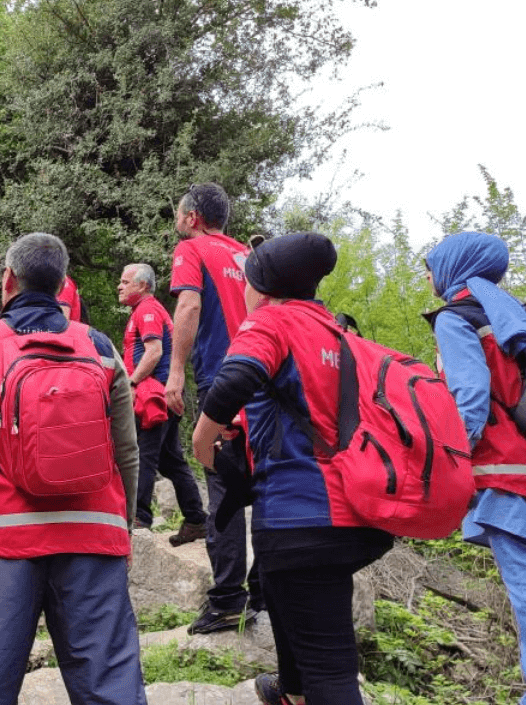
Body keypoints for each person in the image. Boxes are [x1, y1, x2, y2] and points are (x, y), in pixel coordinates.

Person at [0, 232, 147, 704]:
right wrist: (122, 527)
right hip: (93, 535)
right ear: (62, 285)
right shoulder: (102, 348)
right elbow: (127, 450)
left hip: (1, 539)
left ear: (9, 280)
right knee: (110, 687)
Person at [191, 231, 393, 705]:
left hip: (298, 512)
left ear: (260, 288)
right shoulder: (338, 330)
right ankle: (290, 692)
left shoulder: (271, 321)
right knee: (284, 599)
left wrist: (203, 445)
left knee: (331, 669)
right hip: (350, 509)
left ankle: (305, 690)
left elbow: (234, 378)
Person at [425, 231, 526, 705]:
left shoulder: (458, 318)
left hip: (507, 477)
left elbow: (468, 399)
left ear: (453, 267)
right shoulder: (517, 314)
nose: (428, 276)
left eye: (431, 266)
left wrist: (445, 464)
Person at [165, 181, 262, 634]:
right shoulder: (249, 255)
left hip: (224, 380)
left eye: (179, 216)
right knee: (265, 485)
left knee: (222, 488)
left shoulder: (193, 249)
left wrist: (176, 372)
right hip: (267, 378)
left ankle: (226, 602)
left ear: (192, 218)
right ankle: (263, 593)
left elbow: (188, 305)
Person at [119, 262, 207, 542]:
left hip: (154, 397)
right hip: (164, 397)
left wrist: (130, 383)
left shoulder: (147, 310)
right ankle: (195, 518)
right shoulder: (147, 310)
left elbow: (153, 352)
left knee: (141, 453)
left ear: (143, 286)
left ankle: (140, 516)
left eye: (125, 281)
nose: (119, 286)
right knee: (171, 462)